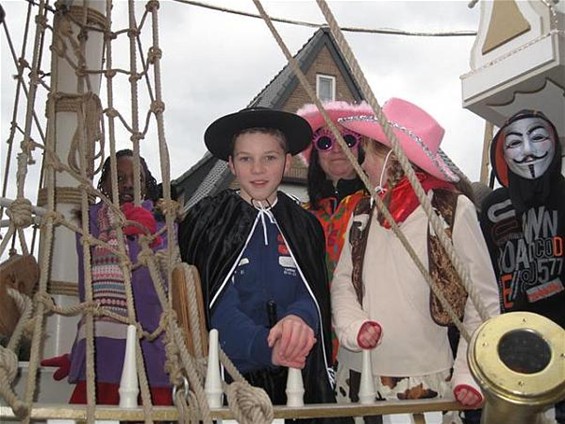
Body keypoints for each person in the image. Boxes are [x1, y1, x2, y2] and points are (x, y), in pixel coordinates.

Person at [330, 98, 500, 423]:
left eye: (369, 154)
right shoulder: (363, 213)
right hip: (355, 378)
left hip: (423, 383)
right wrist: (355, 328)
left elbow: (482, 303)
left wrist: (467, 373)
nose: (362, 165)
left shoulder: (452, 210)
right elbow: (342, 285)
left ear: (395, 157)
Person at [178, 107, 342, 417]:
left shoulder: (304, 225)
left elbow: (312, 294)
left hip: (297, 377)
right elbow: (216, 307)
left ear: (287, 162)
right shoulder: (209, 221)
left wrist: (298, 321)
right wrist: (267, 346)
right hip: (232, 381)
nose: (257, 169)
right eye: (245, 158)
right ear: (231, 164)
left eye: (269, 157)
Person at [43, 149, 173, 405]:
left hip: (149, 357)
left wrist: (146, 236)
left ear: (147, 184)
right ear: (104, 183)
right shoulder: (89, 224)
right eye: (119, 178)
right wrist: (79, 351)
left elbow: (158, 292)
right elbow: (88, 294)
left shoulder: (165, 224)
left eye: (135, 178)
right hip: (99, 357)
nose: (127, 185)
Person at [479, 110, 565, 424]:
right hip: (510, 349)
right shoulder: (492, 208)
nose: (527, 150)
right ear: (502, 154)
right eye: (514, 143)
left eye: (538, 136)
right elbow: (483, 272)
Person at [296, 101, 369, 366]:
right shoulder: (301, 216)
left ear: (362, 148)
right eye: (325, 142)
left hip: (369, 329)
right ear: (315, 155)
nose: (337, 148)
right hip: (313, 337)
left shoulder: (380, 205)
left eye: (347, 139)